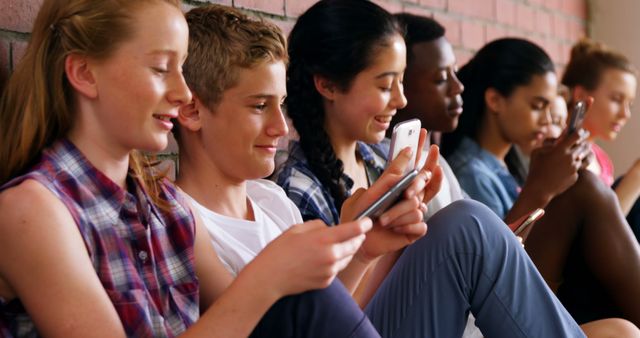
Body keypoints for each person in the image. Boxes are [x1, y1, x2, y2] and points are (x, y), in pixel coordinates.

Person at [0, 0, 382, 336]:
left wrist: (363, 250)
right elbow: (256, 304)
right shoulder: (31, 211)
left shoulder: (166, 205)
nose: (183, 93)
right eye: (161, 68)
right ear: (84, 73)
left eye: (181, 68)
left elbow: (275, 322)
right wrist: (266, 277)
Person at [274, 1, 586, 336]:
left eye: (401, 82)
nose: (401, 100)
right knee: (466, 225)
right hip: (358, 326)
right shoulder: (297, 189)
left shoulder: (381, 160)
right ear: (328, 85)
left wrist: (418, 225)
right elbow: (322, 318)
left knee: (620, 330)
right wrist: (403, 241)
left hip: (428, 310)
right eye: (384, 85)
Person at [442, 37, 640, 327]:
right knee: (586, 188)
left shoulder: (510, 165)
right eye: (537, 105)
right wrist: (542, 187)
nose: (547, 119)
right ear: (495, 100)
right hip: (498, 304)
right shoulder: (472, 173)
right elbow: (486, 266)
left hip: (531, 286)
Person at [561, 39, 640, 232]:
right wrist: (635, 178)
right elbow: (596, 235)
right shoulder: (559, 155)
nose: (625, 114)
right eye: (616, 99)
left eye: (629, 104)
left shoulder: (602, 160)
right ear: (580, 95)